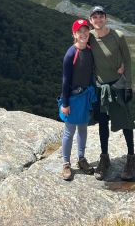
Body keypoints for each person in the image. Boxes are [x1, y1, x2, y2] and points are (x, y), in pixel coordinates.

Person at [88, 5, 135, 181]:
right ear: (91, 21)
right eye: (95, 17)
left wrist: (129, 85)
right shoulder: (90, 37)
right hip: (101, 87)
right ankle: (104, 158)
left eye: (101, 16)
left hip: (118, 85)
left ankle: (131, 158)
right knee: (102, 123)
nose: (98, 19)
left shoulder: (118, 36)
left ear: (105, 18)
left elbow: (128, 61)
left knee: (125, 122)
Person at [59, 18, 96, 181]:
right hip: (73, 98)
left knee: (83, 128)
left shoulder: (89, 50)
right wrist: (65, 103)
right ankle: (66, 163)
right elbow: (65, 81)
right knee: (69, 131)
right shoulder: (71, 54)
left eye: (85, 31)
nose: (83, 34)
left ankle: (81, 158)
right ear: (74, 34)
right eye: (79, 32)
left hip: (85, 96)